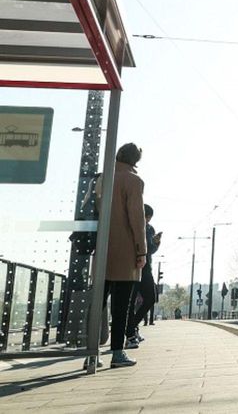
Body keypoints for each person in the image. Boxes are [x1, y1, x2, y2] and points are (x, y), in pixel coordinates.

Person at [100, 142, 147, 368]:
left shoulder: (103, 178)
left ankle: (91, 351)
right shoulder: (134, 181)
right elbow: (137, 219)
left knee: (98, 301)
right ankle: (117, 353)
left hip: (101, 250)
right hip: (126, 250)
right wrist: (142, 251)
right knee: (121, 306)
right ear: (135, 161)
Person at [125, 204, 160, 347]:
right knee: (129, 302)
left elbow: (149, 250)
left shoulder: (150, 229)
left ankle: (131, 327)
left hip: (145, 268)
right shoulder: (130, 226)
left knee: (151, 297)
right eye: (146, 217)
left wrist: (156, 243)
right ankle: (130, 333)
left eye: (149, 218)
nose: (147, 220)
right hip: (130, 267)